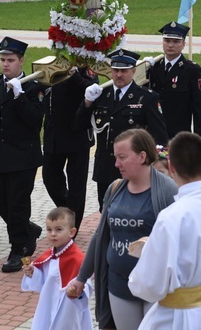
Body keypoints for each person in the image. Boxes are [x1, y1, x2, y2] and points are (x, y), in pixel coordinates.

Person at [127, 132, 201, 329]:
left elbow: (148, 284)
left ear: (171, 167)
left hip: (178, 316)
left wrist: (148, 253)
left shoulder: (170, 217)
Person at [68, 129, 178, 330]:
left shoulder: (168, 190)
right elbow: (100, 237)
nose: (116, 164)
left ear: (142, 156)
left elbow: (180, 240)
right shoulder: (115, 188)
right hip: (119, 286)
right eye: (116, 157)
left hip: (156, 287)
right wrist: (81, 278)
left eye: (122, 157)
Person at [0, 37, 44, 273]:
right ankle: (28, 230)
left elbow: (35, 122)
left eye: (10, 60)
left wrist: (20, 96)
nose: (5, 64)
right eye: (2, 59)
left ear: (21, 61)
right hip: (1, 154)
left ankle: (18, 249)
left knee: (17, 205)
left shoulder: (34, 85)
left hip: (24, 155)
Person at [75, 48, 168, 207]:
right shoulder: (102, 94)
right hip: (105, 166)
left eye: (124, 71)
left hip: (133, 167)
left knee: (131, 209)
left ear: (133, 71)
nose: (119, 75)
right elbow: (79, 125)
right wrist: (87, 103)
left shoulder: (146, 97)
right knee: (105, 208)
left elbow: (159, 135)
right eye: (116, 70)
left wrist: (157, 165)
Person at [42, 66, 97, 231]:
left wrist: (75, 75)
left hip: (77, 135)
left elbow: (91, 89)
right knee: (50, 178)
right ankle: (68, 211)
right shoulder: (54, 67)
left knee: (77, 185)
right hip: (54, 135)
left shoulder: (85, 71)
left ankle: (72, 226)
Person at [21, 207, 93, 330]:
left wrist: (77, 291)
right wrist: (33, 272)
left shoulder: (78, 259)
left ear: (72, 232)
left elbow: (86, 285)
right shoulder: (49, 255)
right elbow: (45, 280)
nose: (53, 234)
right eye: (49, 230)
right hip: (48, 303)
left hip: (69, 307)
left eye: (58, 230)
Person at [145, 22, 201, 145]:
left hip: (179, 139)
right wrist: (141, 69)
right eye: (167, 40)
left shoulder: (191, 70)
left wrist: (200, 147)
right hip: (154, 138)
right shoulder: (153, 68)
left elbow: (200, 112)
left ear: (183, 44)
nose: (170, 45)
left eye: (176, 42)